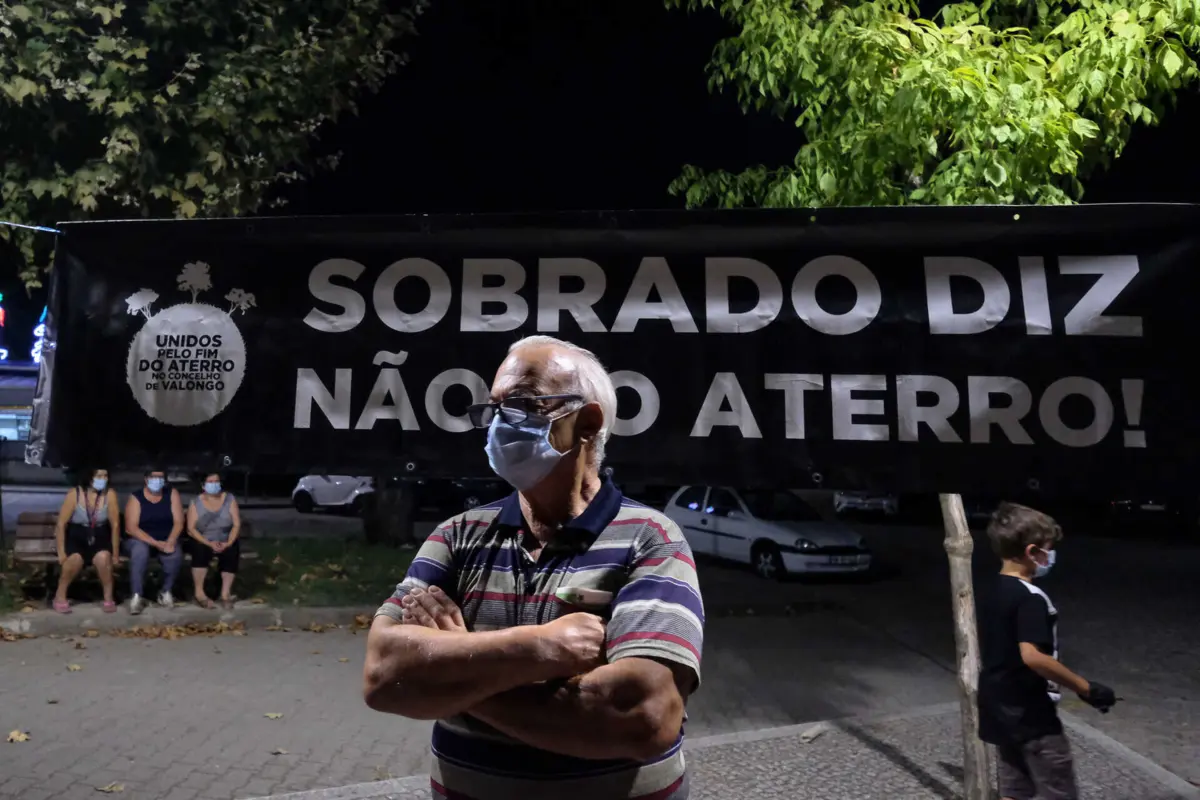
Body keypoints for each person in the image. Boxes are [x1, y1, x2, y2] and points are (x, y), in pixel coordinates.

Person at [363, 335, 704, 800]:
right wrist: (542, 647)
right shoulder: (457, 535)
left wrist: (456, 671)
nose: (500, 423)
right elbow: (384, 674)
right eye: (495, 407)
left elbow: (642, 716)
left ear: (587, 423)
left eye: (522, 404)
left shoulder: (652, 538)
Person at [977, 502, 1118, 800]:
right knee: (1057, 788)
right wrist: (1086, 688)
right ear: (1031, 552)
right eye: (1048, 549)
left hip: (998, 707)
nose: (1051, 556)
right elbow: (1033, 656)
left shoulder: (992, 590)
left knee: (1014, 789)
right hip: (1031, 713)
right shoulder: (1031, 599)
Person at [52, 468, 120, 613]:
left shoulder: (110, 494)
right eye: (99, 476)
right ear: (89, 477)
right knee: (74, 560)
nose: (103, 479)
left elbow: (115, 525)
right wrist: (61, 553)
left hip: (99, 535)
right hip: (77, 535)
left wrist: (115, 554)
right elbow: (61, 524)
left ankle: (108, 598)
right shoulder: (74, 494)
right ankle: (60, 596)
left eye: (105, 475)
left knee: (103, 559)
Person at [122, 468, 185, 614]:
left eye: (160, 478)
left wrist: (170, 541)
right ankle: (137, 595)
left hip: (165, 538)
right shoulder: (136, 497)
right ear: (146, 479)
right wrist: (156, 543)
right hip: (139, 538)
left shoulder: (171, 494)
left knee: (174, 553)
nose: (157, 481)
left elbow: (178, 522)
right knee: (140, 552)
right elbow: (131, 527)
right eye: (154, 477)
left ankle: (165, 591)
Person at [184, 471, 242, 609]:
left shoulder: (229, 499)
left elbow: (236, 524)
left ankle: (225, 594)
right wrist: (209, 543)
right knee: (200, 550)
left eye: (216, 482)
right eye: (210, 482)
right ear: (203, 485)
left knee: (231, 551)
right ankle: (199, 593)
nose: (214, 485)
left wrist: (228, 542)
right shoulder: (196, 502)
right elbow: (191, 529)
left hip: (224, 538)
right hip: (203, 539)